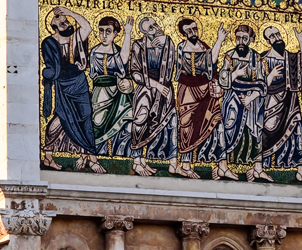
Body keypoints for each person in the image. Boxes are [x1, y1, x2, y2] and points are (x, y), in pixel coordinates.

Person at [41, 8, 101, 171]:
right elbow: (50, 66)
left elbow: (87, 27)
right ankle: (48, 155)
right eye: (62, 23)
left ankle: (92, 158)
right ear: (54, 26)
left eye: (67, 22)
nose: (66, 24)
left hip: (79, 83)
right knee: (61, 117)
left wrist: (70, 12)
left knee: (86, 117)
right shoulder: (49, 43)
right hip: (63, 85)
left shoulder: (75, 38)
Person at [254, 25, 302, 184]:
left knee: (297, 132)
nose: (276, 37)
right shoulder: (263, 58)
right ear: (268, 41)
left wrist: (301, 41)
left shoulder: (291, 57)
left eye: (277, 33)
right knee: (266, 133)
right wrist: (271, 76)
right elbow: (259, 84)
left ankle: (300, 171)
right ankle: (260, 168)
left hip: (290, 102)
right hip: (270, 104)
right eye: (272, 36)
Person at [207, 24, 266, 181]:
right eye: (238, 38)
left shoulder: (257, 58)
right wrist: (236, 73)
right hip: (232, 97)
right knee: (228, 126)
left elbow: (262, 83)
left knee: (255, 128)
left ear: (251, 40)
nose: (241, 41)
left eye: (244, 38)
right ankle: (222, 166)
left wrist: (249, 98)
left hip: (252, 100)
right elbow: (223, 80)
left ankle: (256, 168)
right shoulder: (229, 56)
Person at [168, 18, 225, 179]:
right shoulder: (181, 48)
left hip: (205, 90)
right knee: (187, 126)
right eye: (189, 31)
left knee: (213, 121)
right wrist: (219, 40)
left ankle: (218, 163)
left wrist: (216, 83)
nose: (193, 33)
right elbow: (204, 63)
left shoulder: (204, 46)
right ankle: (185, 165)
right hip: (187, 91)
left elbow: (212, 65)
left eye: (194, 29)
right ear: (184, 33)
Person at [120, 16, 177, 176]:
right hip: (146, 89)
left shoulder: (167, 43)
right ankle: (137, 161)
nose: (155, 27)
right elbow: (135, 73)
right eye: (150, 27)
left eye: (155, 24)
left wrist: (166, 40)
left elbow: (172, 63)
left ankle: (171, 162)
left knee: (171, 120)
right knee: (141, 120)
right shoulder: (139, 45)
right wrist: (156, 85)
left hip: (165, 89)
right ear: (144, 32)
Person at [86, 14, 131, 158]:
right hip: (100, 95)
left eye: (108, 31)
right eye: (101, 30)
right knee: (97, 122)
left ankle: (120, 154)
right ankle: (95, 156)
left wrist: (128, 33)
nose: (104, 35)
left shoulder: (118, 51)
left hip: (117, 94)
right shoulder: (93, 52)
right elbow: (93, 76)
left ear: (115, 33)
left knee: (129, 118)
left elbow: (123, 60)